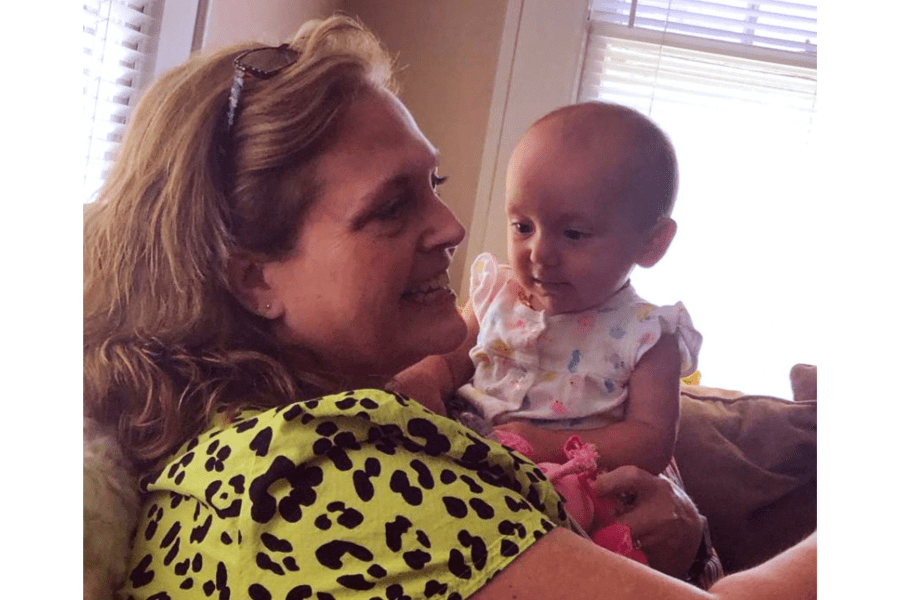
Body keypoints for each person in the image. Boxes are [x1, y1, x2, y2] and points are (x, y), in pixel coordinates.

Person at [83, 16, 815, 600]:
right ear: (253, 280)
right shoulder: (310, 467)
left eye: (435, 182)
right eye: (391, 206)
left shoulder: (320, 433)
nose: (455, 227)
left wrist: (689, 541)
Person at [393, 103, 699, 480]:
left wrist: (541, 443)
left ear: (652, 243)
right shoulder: (496, 293)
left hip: (566, 484)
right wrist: (423, 379)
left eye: (573, 234)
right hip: (462, 458)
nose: (539, 253)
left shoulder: (649, 334)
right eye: (522, 226)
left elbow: (650, 442)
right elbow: (448, 361)